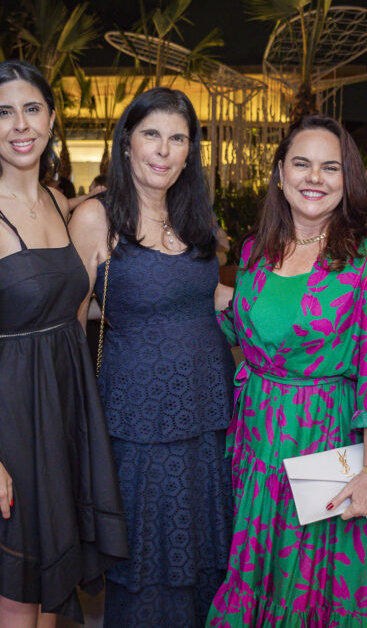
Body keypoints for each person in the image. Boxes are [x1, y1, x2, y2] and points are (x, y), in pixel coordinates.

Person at [0, 59, 127, 627]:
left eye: (32, 108)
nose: (20, 124)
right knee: (21, 583)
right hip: (11, 411)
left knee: (52, 576)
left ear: (50, 121)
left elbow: (78, 303)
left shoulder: (58, 202)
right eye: (3, 112)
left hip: (66, 402)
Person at [208, 115, 367, 626]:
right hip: (255, 441)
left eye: (330, 167)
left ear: (348, 179)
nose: (314, 177)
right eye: (302, 163)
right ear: (279, 174)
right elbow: (250, 337)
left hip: (324, 441)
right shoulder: (255, 249)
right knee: (256, 572)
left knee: (311, 584)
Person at [70, 87, 235, 627]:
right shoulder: (97, 218)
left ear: (190, 151)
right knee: (148, 560)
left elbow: (205, 298)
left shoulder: (197, 217)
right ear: (125, 144)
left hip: (211, 415)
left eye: (177, 138)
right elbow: (69, 328)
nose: (163, 150)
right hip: (139, 421)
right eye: (151, 135)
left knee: (209, 553)